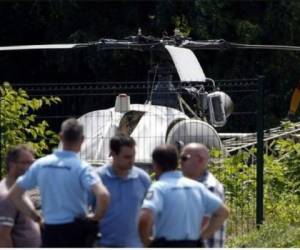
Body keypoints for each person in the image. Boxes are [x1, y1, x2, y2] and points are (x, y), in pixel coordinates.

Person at [8, 118, 110, 247]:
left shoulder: (41, 164)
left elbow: (15, 194)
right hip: (76, 230)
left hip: (50, 230)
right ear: (82, 139)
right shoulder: (82, 168)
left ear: (60, 137)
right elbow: (103, 195)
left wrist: (37, 218)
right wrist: (95, 217)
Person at [139, 144, 229, 248]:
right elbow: (223, 212)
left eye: (184, 158)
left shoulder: (159, 187)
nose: (182, 161)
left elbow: (144, 218)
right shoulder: (197, 187)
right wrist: (201, 237)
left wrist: (148, 243)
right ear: (176, 162)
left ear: (155, 165)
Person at [90, 134, 151, 247]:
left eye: (133, 156)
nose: (131, 161)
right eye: (127, 157)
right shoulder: (97, 179)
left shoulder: (143, 179)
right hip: (104, 245)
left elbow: (150, 214)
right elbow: (84, 210)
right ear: (113, 154)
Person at [181, 143, 226, 248]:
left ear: (200, 160)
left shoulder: (209, 187)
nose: (180, 162)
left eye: (184, 158)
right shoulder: (195, 185)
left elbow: (201, 224)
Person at [0, 145, 41, 247]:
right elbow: (3, 237)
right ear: (12, 165)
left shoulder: (19, 188)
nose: (31, 167)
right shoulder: (6, 196)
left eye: (32, 162)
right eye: (26, 163)